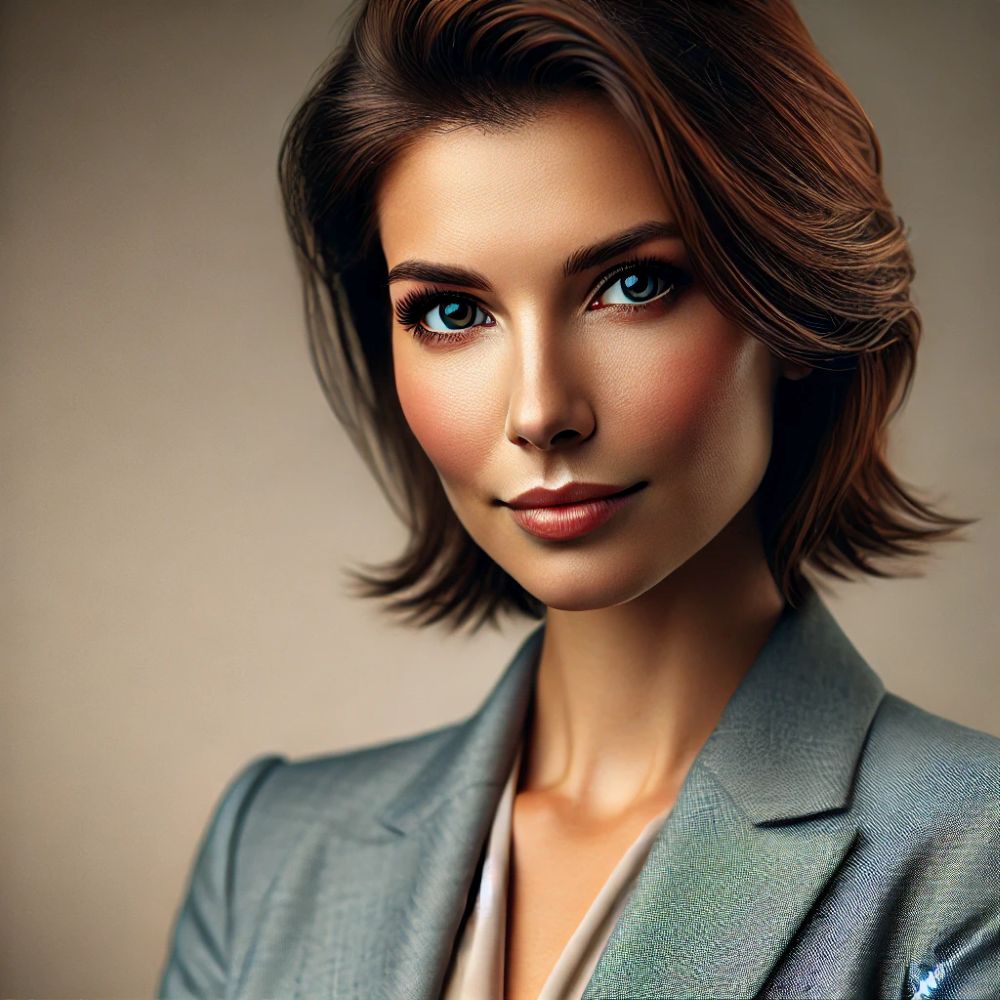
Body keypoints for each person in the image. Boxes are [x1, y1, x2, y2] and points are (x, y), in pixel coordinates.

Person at [157, 1, 1000, 997]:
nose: (540, 409)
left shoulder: (967, 857)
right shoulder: (269, 852)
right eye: (452, 311)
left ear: (787, 303)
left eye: (634, 286)